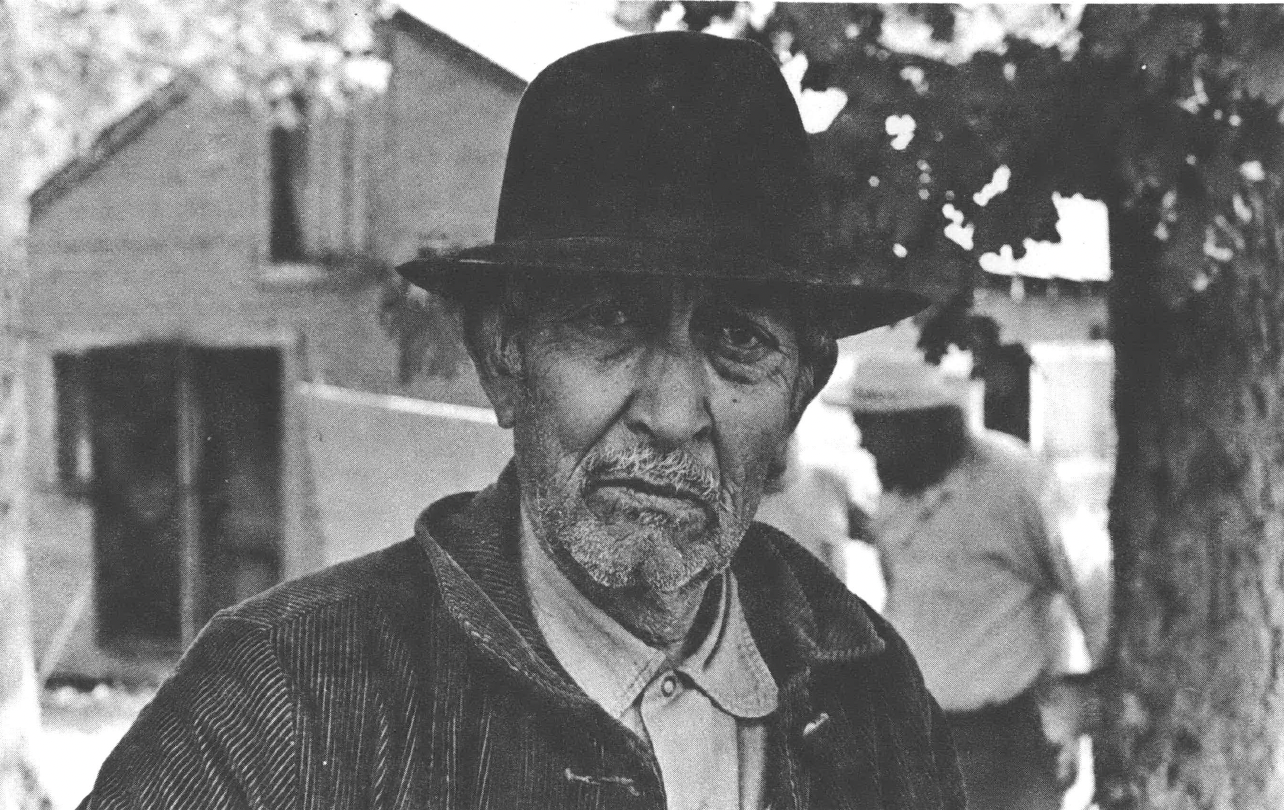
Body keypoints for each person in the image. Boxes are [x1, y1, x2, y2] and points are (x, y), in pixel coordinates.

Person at [79, 32, 964, 810]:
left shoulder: (865, 695)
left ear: (802, 388)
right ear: (505, 359)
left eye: (738, 340)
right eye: (608, 322)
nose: (671, 413)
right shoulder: (288, 695)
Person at [832, 354, 1102, 810]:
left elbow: (1094, 595)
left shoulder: (1019, 485)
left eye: (871, 426)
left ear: (919, 426)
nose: (863, 443)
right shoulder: (896, 495)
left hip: (1006, 747)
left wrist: (1084, 708)